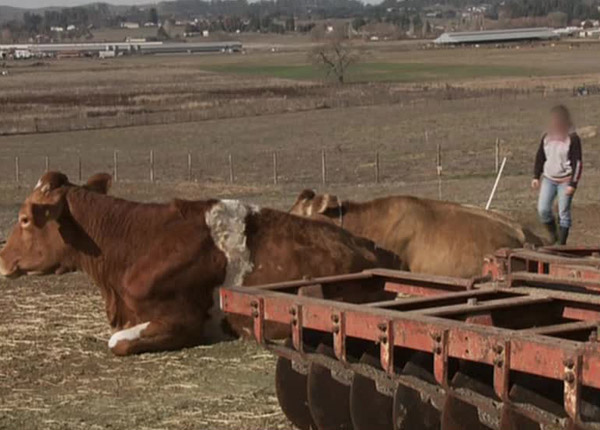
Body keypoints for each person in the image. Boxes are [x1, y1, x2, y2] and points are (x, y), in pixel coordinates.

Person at [532, 105, 582, 245]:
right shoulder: (547, 136)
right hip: (549, 179)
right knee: (543, 210)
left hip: (565, 180)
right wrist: (536, 176)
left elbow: (577, 162)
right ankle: (553, 235)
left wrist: (573, 184)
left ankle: (561, 244)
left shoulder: (572, 138)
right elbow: (540, 156)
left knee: (563, 212)